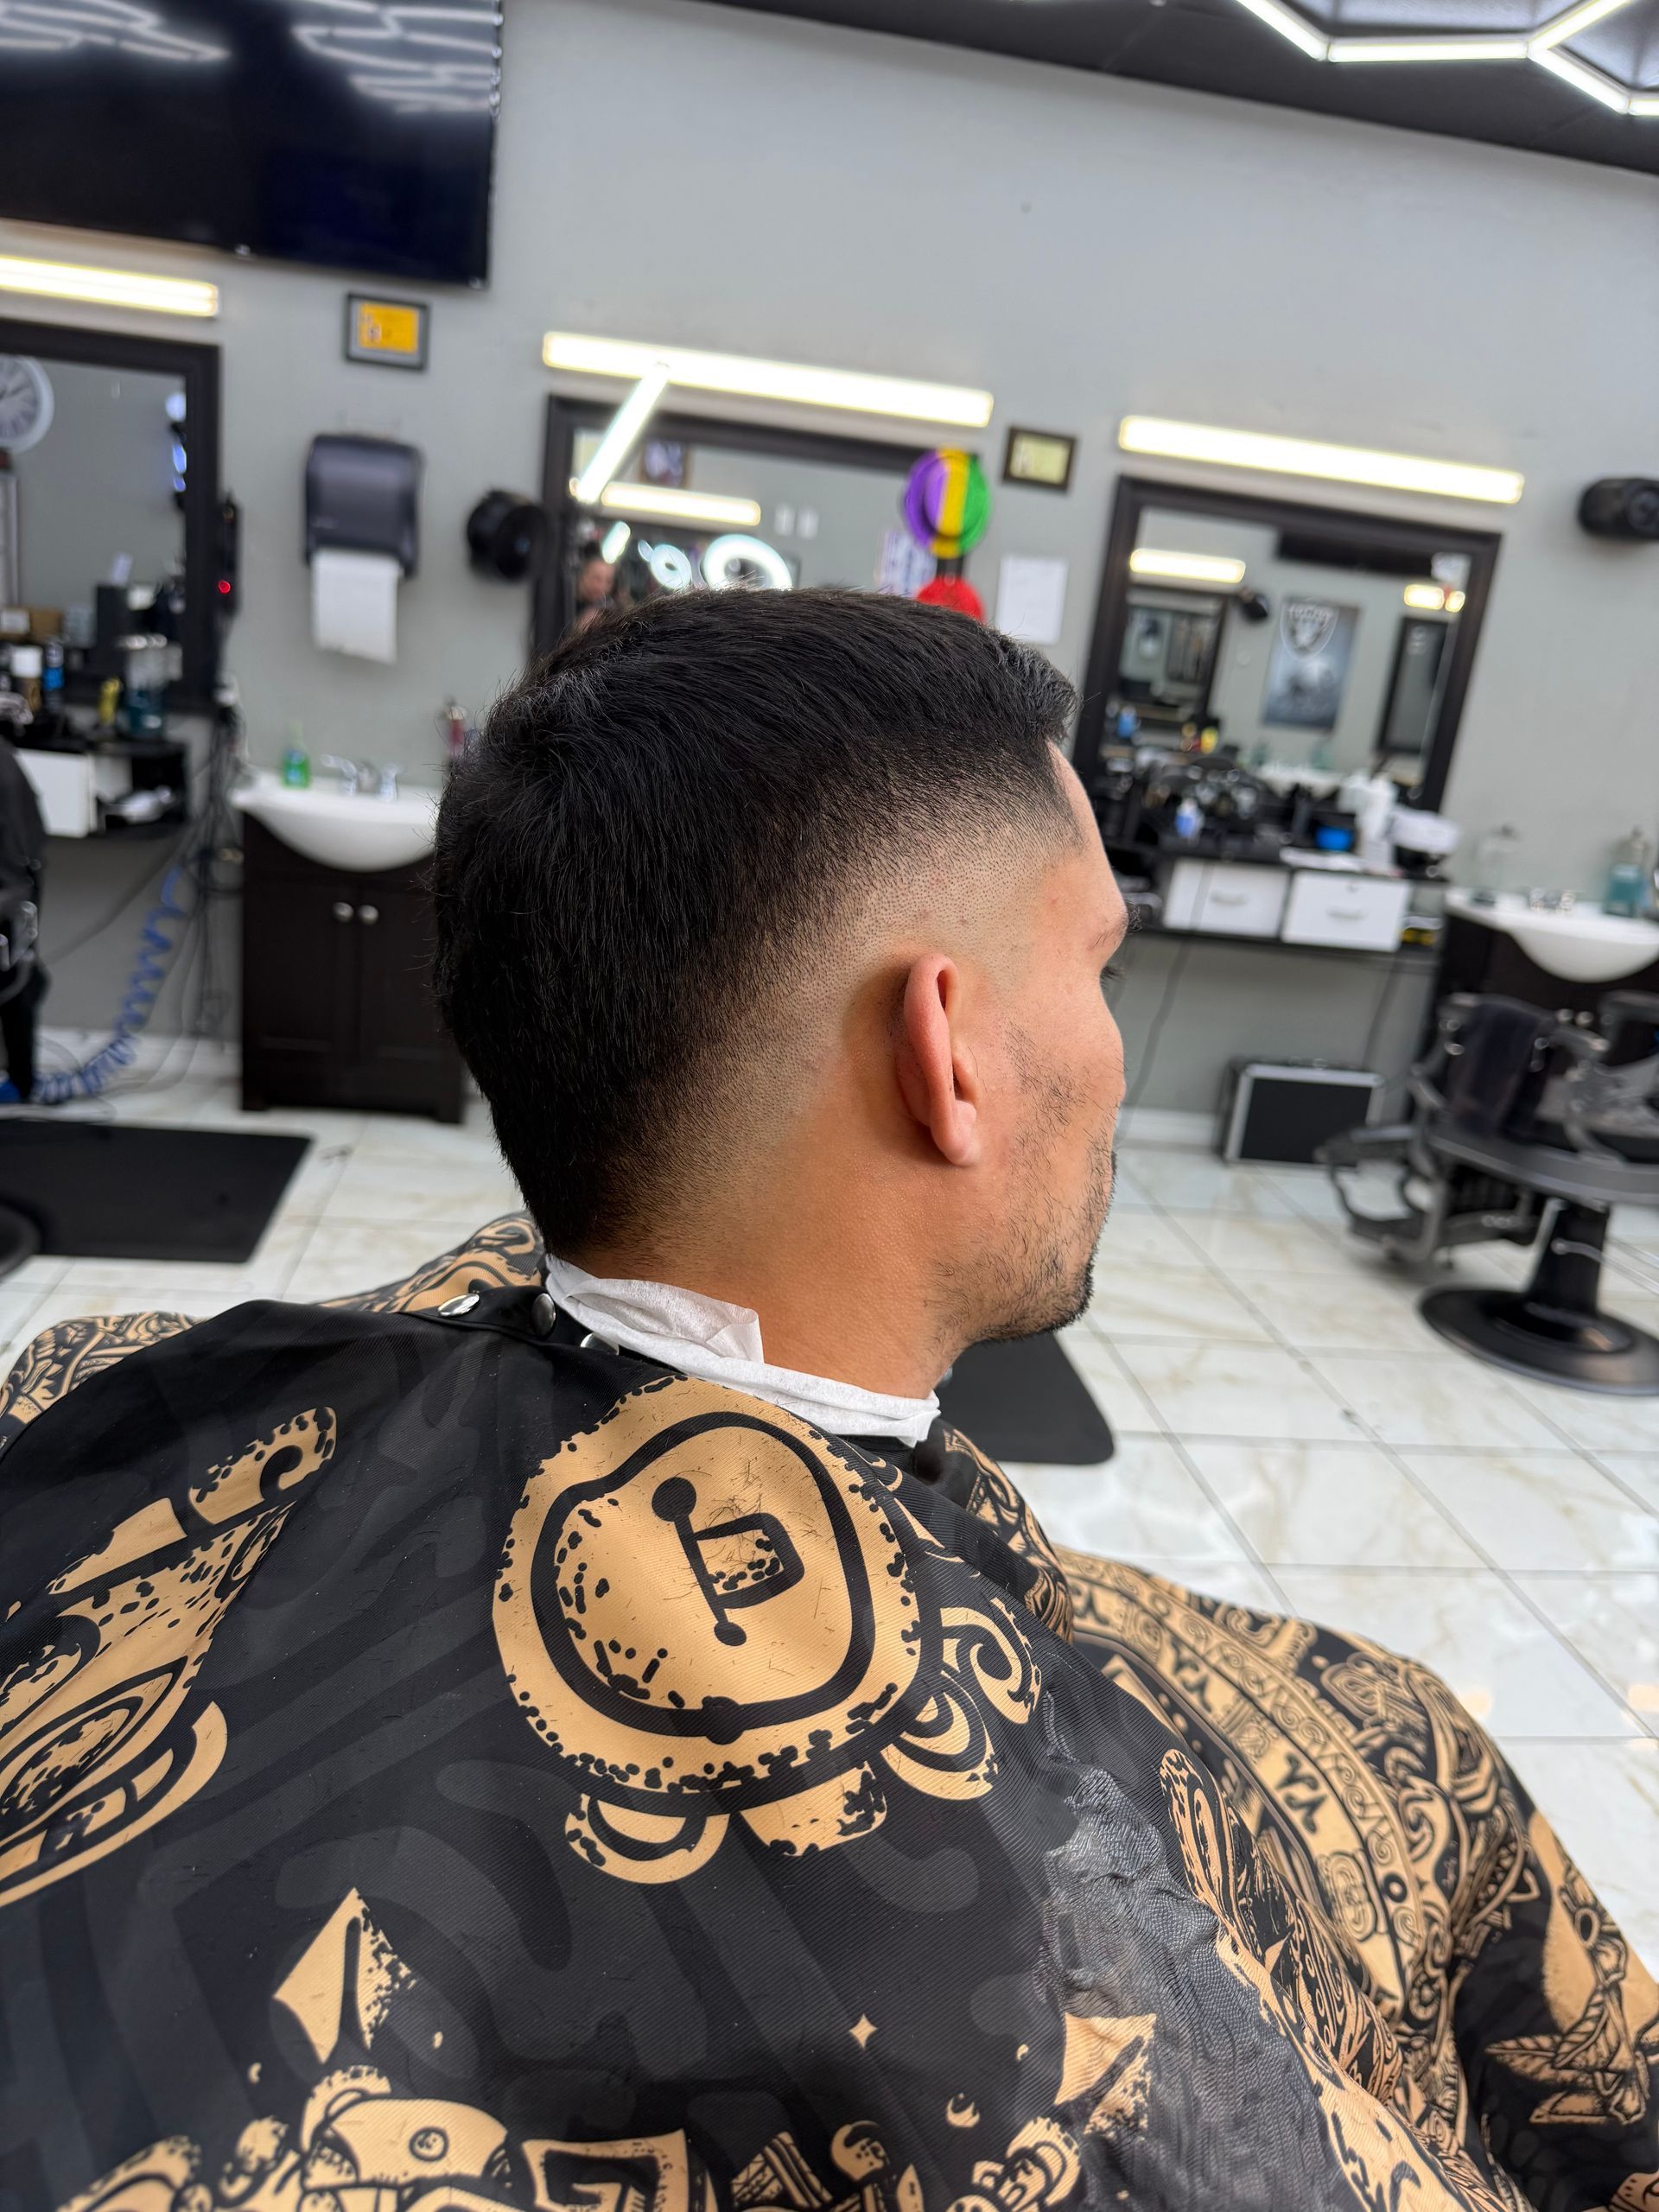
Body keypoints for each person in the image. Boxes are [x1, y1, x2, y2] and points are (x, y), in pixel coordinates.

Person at [0, 592, 1652, 2212]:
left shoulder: (133, 1401)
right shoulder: (1056, 1990)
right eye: (1096, 964)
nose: (1119, 1054)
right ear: (950, 1053)